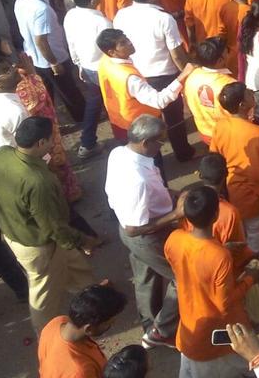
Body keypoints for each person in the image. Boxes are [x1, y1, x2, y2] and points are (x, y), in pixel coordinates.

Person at [0, 116, 97, 332]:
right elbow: (54, 228)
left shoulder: (1, 155)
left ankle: (94, 299)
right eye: (50, 139)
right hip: (38, 245)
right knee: (43, 297)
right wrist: (84, 240)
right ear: (41, 143)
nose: (53, 143)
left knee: (76, 266)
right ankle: (45, 335)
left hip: (16, 231)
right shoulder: (38, 182)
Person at [104, 115, 185, 349]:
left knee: (146, 277)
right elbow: (133, 229)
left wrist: (170, 194)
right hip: (145, 235)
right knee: (182, 278)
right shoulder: (136, 179)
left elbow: (153, 188)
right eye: (160, 141)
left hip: (135, 230)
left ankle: (150, 322)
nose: (163, 145)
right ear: (145, 142)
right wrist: (176, 214)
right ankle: (162, 330)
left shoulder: (120, 153)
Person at [164, 185, 259, 376]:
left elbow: (189, 263)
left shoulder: (174, 239)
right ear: (216, 215)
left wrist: (221, 249)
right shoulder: (220, 257)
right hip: (214, 336)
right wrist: (250, 278)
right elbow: (223, 304)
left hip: (189, 329)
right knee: (256, 363)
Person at [113, 0, 196, 160]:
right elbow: (176, 54)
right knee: (174, 118)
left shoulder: (121, 15)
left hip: (137, 75)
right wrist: (186, 73)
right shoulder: (164, 18)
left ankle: (151, 156)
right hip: (164, 75)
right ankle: (183, 153)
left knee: (148, 121)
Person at [15, 0, 86, 126]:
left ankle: (49, 124)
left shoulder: (21, 1)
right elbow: (41, 40)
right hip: (52, 58)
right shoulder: (41, 8)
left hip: (35, 59)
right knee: (69, 92)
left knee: (47, 95)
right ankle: (83, 120)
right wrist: (54, 62)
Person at [61, 0, 110, 159]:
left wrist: (79, 65)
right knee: (115, 105)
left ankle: (87, 143)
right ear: (93, 0)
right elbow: (111, 50)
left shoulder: (70, 15)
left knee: (94, 104)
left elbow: (71, 43)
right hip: (104, 70)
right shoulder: (102, 22)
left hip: (87, 67)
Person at [37, 284, 127, 378]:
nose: (112, 324)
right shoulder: (80, 371)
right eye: (109, 323)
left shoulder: (56, 322)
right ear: (89, 329)